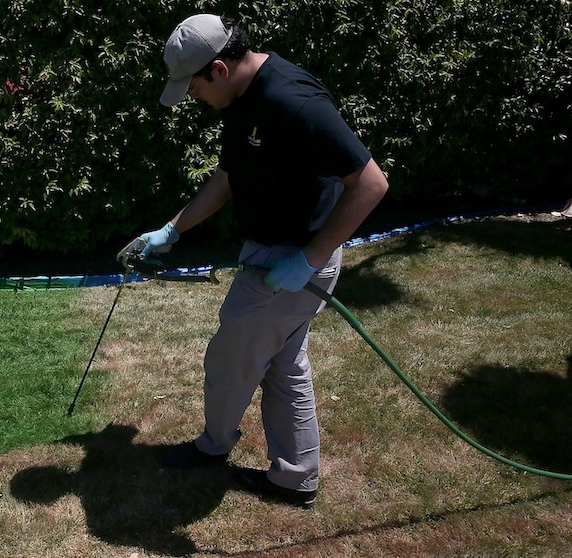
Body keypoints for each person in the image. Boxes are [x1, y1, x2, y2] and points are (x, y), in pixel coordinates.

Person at [122, 14, 389, 508]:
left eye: (194, 87)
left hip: (292, 264)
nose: (193, 99)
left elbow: (371, 184)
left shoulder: (293, 102)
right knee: (285, 366)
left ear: (219, 69)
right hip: (270, 253)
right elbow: (229, 177)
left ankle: (213, 446)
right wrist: (172, 229)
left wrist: (309, 260)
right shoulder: (243, 99)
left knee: (229, 360)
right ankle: (295, 478)